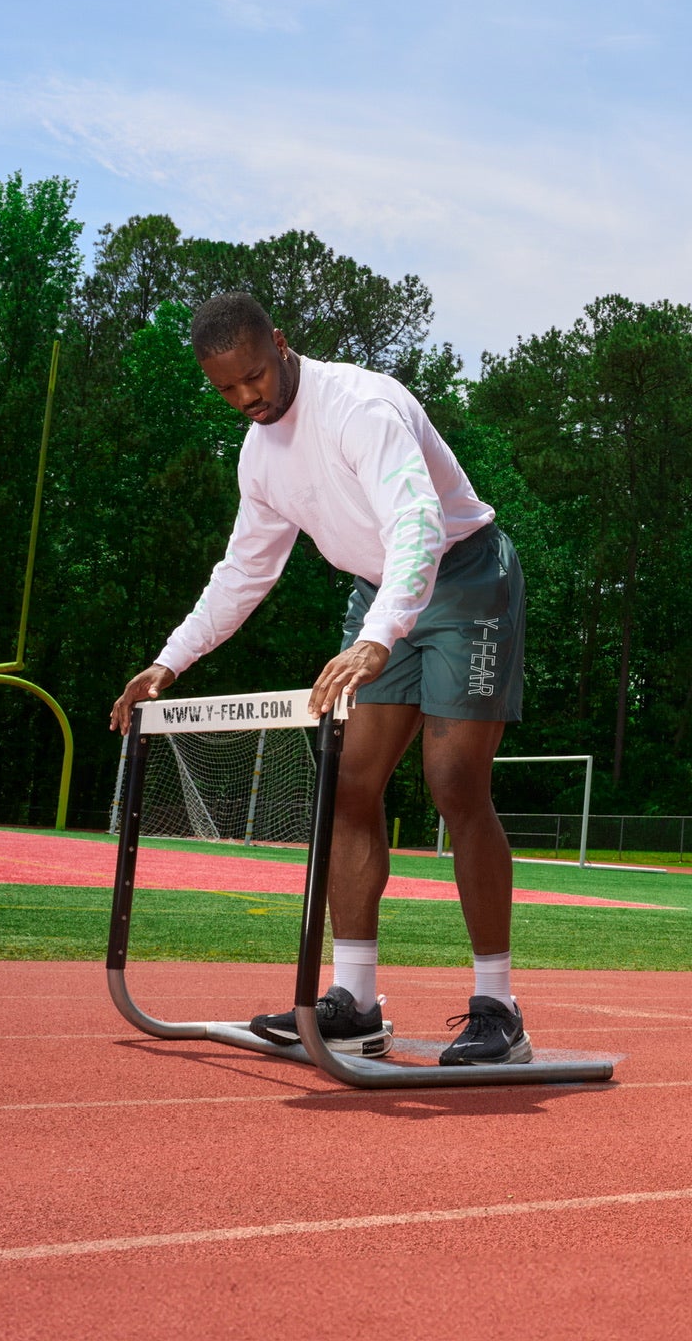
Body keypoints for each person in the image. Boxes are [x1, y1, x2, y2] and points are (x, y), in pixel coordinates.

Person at [109, 293, 532, 1066]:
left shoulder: (361, 408)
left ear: (280, 342)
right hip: (381, 591)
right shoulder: (259, 455)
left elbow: (418, 525)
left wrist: (377, 639)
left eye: (256, 377)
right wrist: (172, 659)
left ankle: (499, 1007)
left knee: (454, 781)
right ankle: (355, 1001)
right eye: (228, 391)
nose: (249, 400)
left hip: (465, 578)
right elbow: (244, 571)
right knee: (348, 785)